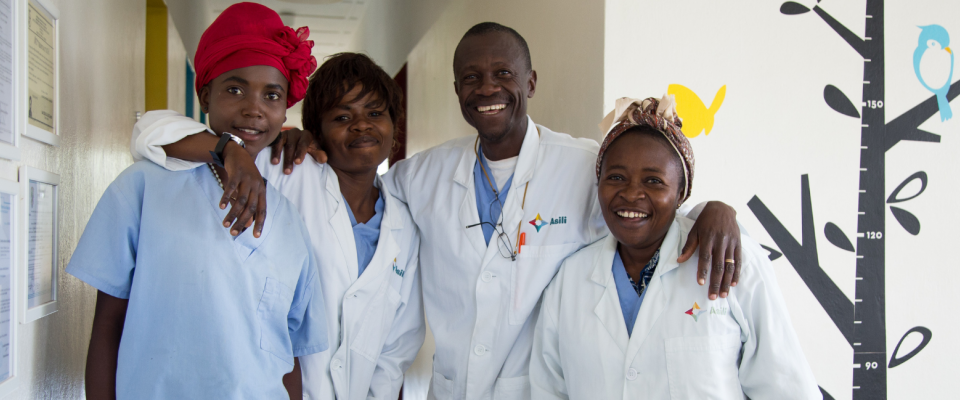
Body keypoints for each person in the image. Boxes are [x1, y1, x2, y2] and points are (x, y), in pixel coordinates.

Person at [139, 22, 744, 400]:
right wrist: (293, 140)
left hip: (539, 389)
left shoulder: (584, 163)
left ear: (530, 82)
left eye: (502, 74)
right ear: (455, 89)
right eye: (471, 77)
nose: (487, 88)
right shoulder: (413, 178)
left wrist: (715, 207)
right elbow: (152, 134)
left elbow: (643, 203)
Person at [67, 3, 327, 399]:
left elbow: (287, 353)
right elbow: (107, 329)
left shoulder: (289, 221)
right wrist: (228, 149)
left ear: (284, 109)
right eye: (234, 89)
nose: (253, 107)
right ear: (206, 96)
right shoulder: (143, 188)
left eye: (271, 95)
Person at [130, 52, 424, 400]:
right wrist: (230, 150)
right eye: (343, 116)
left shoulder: (404, 223)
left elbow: (396, 347)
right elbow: (148, 133)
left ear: (395, 123)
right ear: (317, 132)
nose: (362, 125)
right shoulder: (284, 169)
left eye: (376, 113)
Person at [530, 96, 821, 399]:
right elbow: (548, 389)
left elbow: (787, 389)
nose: (631, 194)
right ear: (598, 183)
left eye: (654, 181)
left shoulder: (732, 260)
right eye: (616, 177)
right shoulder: (569, 280)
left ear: (681, 192)